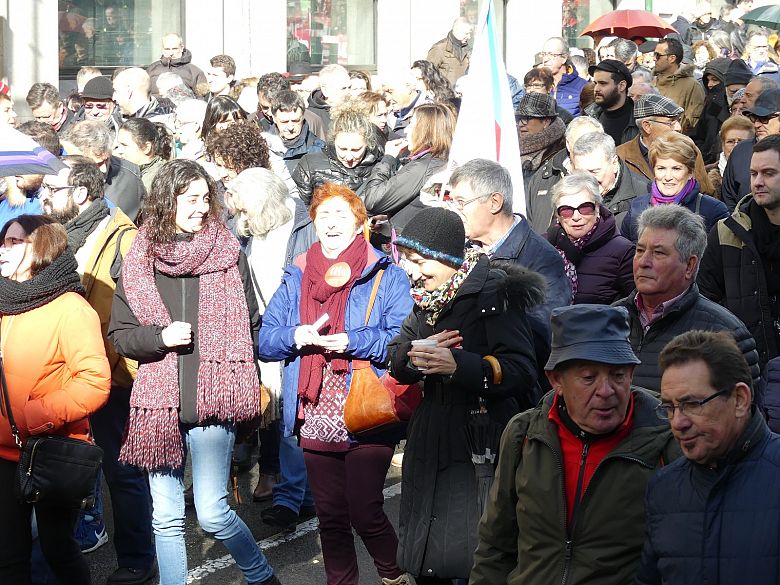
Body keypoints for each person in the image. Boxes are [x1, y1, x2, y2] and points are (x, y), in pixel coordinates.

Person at [108, 159, 281, 585]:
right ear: (167, 201)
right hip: (158, 404)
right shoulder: (137, 260)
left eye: (206, 198)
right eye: (191, 199)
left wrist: (260, 378)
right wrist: (159, 337)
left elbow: (253, 322)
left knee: (213, 512)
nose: (202, 207)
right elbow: (121, 335)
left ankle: (261, 577)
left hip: (215, 400)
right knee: (165, 517)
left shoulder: (228, 253)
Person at [258, 183, 413, 585]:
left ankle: (396, 577)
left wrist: (352, 340)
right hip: (313, 410)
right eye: (322, 215)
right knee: (331, 518)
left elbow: (401, 342)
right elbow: (266, 340)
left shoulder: (387, 273)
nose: (330, 223)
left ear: (359, 223)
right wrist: (298, 335)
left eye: (340, 215)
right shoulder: (296, 274)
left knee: (365, 511)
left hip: (366, 406)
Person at [469, 304, 678, 585]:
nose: (605, 392)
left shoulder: (665, 442)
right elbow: (495, 545)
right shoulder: (524, 435)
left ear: (631, 374)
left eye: (618, 375)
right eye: (588, 377)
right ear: (556, 379)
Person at [387, 207, 542, 584]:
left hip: (480, 441)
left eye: (420, 261)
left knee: (472, 554)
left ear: (449, 260)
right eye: (407, 259)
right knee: (427, 551)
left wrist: (460, 366)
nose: (411, 270)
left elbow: (522, 369)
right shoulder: (427, 297)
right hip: (430, 435)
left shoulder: (493, 295)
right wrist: (413, 354)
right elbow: (396, 355)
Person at [38, 156, 157, 584]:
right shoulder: (51, 238)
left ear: (82, 195)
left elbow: (138, 311)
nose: (44, 196)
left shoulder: (123, 239)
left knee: (122, 472)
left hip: (115, 376)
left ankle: (138, 560)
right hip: (63, 373)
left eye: (54, 190)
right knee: (66, 468)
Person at [0, 215, 110, 585]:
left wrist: (34, 416)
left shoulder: (70, 307)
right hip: (2, 452)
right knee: (8, 555)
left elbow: (95, 382)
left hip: (51, 449)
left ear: (41, 246)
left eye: (16, 242)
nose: (4, 249)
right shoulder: (3, 300)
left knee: (55, 548)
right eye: (3, 242)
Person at [636, 330, 780, 585]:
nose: (678, 423)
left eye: (692, 404)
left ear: (739, 399)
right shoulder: (663, 489)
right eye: (669, 407)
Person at [221, 168, 316, 526]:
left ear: (267, 202)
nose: (241, 219)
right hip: (263, 333)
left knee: (294, 418)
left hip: (299, 331)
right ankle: (295, 495)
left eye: (246, 211)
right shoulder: (245, 233)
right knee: (277, 416)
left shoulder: (305, 227)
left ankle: (295, 496)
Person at [613, 204, 759, 392]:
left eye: (658, 253)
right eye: (640, 250)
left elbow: (741, 415)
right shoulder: (610, 318)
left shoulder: (726, 332)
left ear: (690, 266)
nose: (643, 262)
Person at [447, 158, 571, 334]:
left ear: (495, 202)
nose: (453, 210)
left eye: (460, 202)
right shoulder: (459, 250)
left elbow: (542, 331)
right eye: (451, 201)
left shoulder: (542, 258)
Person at [699, 135, 780, 370]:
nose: (758, 182)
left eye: (769, 173)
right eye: (754, 174)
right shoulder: (727, 232)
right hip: (746, 366)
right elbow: (705, 301)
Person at [362, 102, 455, 232]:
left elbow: (372, 200)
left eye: (412, 125)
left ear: (425, 131)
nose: (406, 130)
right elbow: (418, 211)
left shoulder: (422, 167)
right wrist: (388, 225)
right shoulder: (437, 161)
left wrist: (388, 158)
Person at [621, 132, 728, 242]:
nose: (668, 177)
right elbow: (624, 255)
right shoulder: (637, 207)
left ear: (690, 172)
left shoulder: (713, 210)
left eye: (676, 169)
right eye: (661, 168)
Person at [546, 172, 634, 304]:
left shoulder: (623, 252)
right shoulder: (542, 246)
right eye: (566, 210)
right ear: (557, 215)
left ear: (597, 207)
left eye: (585, 208)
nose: (576, 217)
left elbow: (637, 306)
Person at [616, 94, 714, 193]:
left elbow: (706, 192)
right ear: (647, 126)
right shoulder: (620, 156)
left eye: (678, 120)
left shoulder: (689, 150)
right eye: (670, 122)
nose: (678, 127)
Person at [292, 101, 384, 205]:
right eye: (342, 149)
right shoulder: (310, 165)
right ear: (333, 140)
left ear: (368, 143)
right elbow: (299, 209)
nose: (349, 157)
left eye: (356, 150)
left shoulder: (381, 165)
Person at [525, 116, 605, 233]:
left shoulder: (608, 178)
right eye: (580, 142)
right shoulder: (543, 177)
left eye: (593, 142)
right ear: (568, 143)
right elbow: (530, 225)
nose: (586, 148)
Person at [60, 120, 147, 222]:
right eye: (96, 164)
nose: (104, 169)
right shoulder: (56, 175)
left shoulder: (129, 177)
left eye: (107, 160)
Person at [721, 83, 780, 210]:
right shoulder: (741, 150)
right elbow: (728, 197)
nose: (757, 124)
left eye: (764, 119)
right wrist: (739, 226)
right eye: (754, 118)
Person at [570, 131, 649, 226]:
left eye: (594, 172)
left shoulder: (645, 194)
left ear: (614, 163)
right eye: (580, 173)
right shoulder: (568, 193)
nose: (587, 180)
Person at [652, 37, 706, 134]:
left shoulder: (692, 85)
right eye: (654, 54)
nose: (654, 58)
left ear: (672, 58)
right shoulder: (650, 81)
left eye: (658, 55)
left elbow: (694, 123)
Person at [267, 89, 326, 174]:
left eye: (295, 121)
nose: (290, 127)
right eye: (284, 122)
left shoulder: (317, 149)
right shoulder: (262, 148)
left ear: (302, 116)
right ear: (274, 118)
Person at [517, 93, 566, 188]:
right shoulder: (511, 144)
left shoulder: (561, 151)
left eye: (527, 118)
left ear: (546, 122)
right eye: (518, 119)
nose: (520, 124)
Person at [256, 72, 326, 140]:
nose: (270, 113)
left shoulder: (312, 121)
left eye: (275, 107)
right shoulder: (252, 123)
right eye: (265, 107)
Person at [584, 59, 637, 146]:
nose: (596, 89)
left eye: (603, 83)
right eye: (595, 83)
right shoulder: (590, 116)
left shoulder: (638, 120)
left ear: (621, 86)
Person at [114, 117, 173, 192]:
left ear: (146, 148)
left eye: (125, 145)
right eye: (118, 145)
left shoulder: (160, 178)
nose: (119, 151)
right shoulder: (126, 169)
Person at [706, 114, 754, 199]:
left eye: (741, 142)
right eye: (730, 142)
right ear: (723, 145)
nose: (736, 146)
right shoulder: (705, 173)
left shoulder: (759, 174)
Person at [692, 57, 730, 164]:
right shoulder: (710, 103)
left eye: (715, 80)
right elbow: (700, 134)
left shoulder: (738, 107)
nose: (709, 84)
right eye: (708, 80)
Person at [146, 32, 207, 97]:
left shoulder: (195, 72)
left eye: (174, 49)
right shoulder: (152, 69)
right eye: (167, 49)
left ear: (181, 48)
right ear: (163, 49)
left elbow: (202, 98)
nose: (171, 53)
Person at [540, 37, 588, 116]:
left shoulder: (582, 87)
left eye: (551, 55)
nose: (545, 59)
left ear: (564, 58)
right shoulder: (537, 85)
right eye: (544, 54)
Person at [426, 17, 473, 85]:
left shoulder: (468, 50)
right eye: (466, 33)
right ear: (457, 30)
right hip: (443, 93)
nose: (469, 37)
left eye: (470, 33)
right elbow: (428, 74)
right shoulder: (439, 48)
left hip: (462, 92)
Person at [306, 64, 351, 131]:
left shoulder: (356, 113)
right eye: (343, 88)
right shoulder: (310, 117)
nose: (348, 93)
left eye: (350, 87)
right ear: (325, 90)